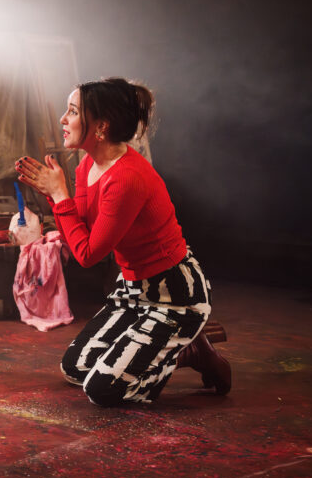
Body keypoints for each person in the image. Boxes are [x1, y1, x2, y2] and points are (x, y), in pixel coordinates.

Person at [15, 77, 231, 406]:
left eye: (73, 111)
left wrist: (59, 196)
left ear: (101, 127)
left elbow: (88, 254)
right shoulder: (87, 166)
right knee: (76, 368)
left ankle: (189, 352)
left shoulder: (127, 178)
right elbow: (80, 236)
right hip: (132, 290)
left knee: (102, 390)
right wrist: (57, 196)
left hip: (174, 295)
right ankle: (168, 345)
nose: (63, 119)